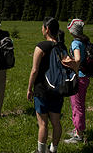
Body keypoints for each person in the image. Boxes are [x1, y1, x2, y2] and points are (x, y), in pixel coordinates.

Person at [27, 17, 66, 153]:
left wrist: (29, 88)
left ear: (47, 29)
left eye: (43, 27)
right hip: (58, 89)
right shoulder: (62, 46)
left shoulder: (41, 46)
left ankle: (41, 151)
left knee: (42, 123)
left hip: (42, 89)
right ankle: (53, 150)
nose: (41, 29)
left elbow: (34, 70)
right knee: (56, 122)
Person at [64, 19, 90, 143]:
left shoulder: (75, 43)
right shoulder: (84, 41)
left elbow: (78, 58)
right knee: (80, 105)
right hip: (85, 77)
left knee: (76, 106)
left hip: (78, 78)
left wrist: (71, 65)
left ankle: (78, 135)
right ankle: (78, 129)